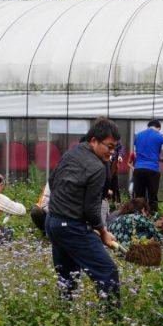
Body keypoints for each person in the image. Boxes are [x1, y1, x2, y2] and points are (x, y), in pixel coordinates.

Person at [46, 119, 122, 304]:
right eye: (109, 147)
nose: (112, 152)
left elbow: (52, 180)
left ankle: (64, 315)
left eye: (115, 148)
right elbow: (91, 208)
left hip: (53, 222)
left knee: (68, 273)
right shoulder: (97, 168)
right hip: (71, 226)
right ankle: (112, 321)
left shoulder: (73, 152)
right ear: (94, 140)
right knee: (107, 271)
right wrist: (103, 232)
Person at [132, 119, 163, 215]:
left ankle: (138, 216)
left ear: (148, 126)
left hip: (138, 169)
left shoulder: (138, 136)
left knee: (139, 196)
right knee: (152, 196)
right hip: (152, 170)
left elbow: (135, 154)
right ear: (159, 128)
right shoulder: (160, 137)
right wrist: (160, 159)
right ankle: (153, 217)